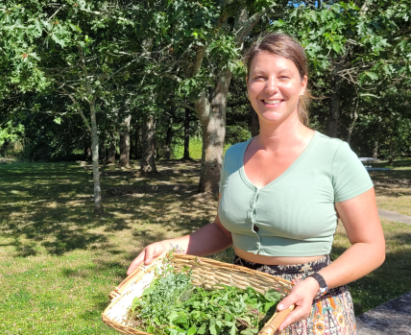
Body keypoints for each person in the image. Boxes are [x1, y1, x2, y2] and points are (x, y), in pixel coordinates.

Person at [127, 33, 385, 335]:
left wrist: (316, 282)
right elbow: (223, 231)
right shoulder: (235, 155)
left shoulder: (334, 155)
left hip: (311, 309)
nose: (270, 88)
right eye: (259, 77)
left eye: (283, 77)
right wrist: (169, 247)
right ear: (249, 86)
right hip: (241, 307)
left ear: (302, 84)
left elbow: (371, 246)